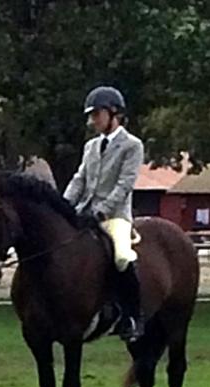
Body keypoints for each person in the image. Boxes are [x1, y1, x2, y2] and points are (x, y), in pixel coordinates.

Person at [63, 85, 147, 342]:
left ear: (113, 114)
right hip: (85, 211)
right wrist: (63, 207)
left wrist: (101, 212)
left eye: (96, 115)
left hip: (115, 216)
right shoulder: (90, 147)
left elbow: (125, 185)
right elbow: (80, 179)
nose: (92, 121)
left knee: (122, 256)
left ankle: (132, 316)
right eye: (91, 116)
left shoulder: (132, 146)